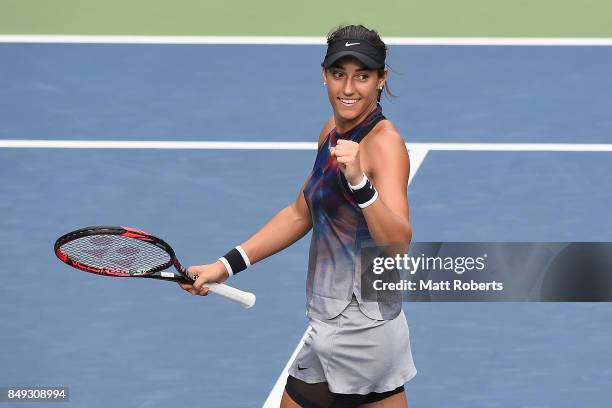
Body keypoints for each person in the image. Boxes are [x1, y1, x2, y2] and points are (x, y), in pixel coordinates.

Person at [179, 24, 417, 407]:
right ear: (323, 75)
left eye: (362, 76)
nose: (348, 89)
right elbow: (300, 211)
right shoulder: (331, 132)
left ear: (381, 79)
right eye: (339, 74)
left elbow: (398, 244)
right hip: (331, 320)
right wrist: (225, 266)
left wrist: (360, 183)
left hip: (361, 329)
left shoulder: (385, 145)